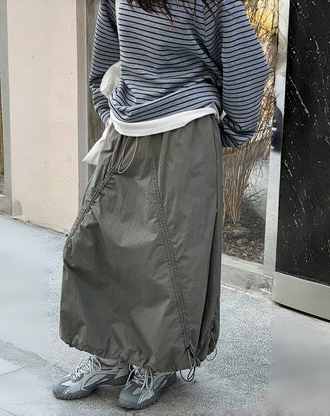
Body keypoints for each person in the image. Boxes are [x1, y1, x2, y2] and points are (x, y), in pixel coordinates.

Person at [53, 0, 269, 410]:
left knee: (168, 261)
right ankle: (109, 358)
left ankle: (158, 364)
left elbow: (248, 64)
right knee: (95, 243)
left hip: (185, 133)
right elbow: (104, 61)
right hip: (127, 129)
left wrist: (224, 132)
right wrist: (110, 111)